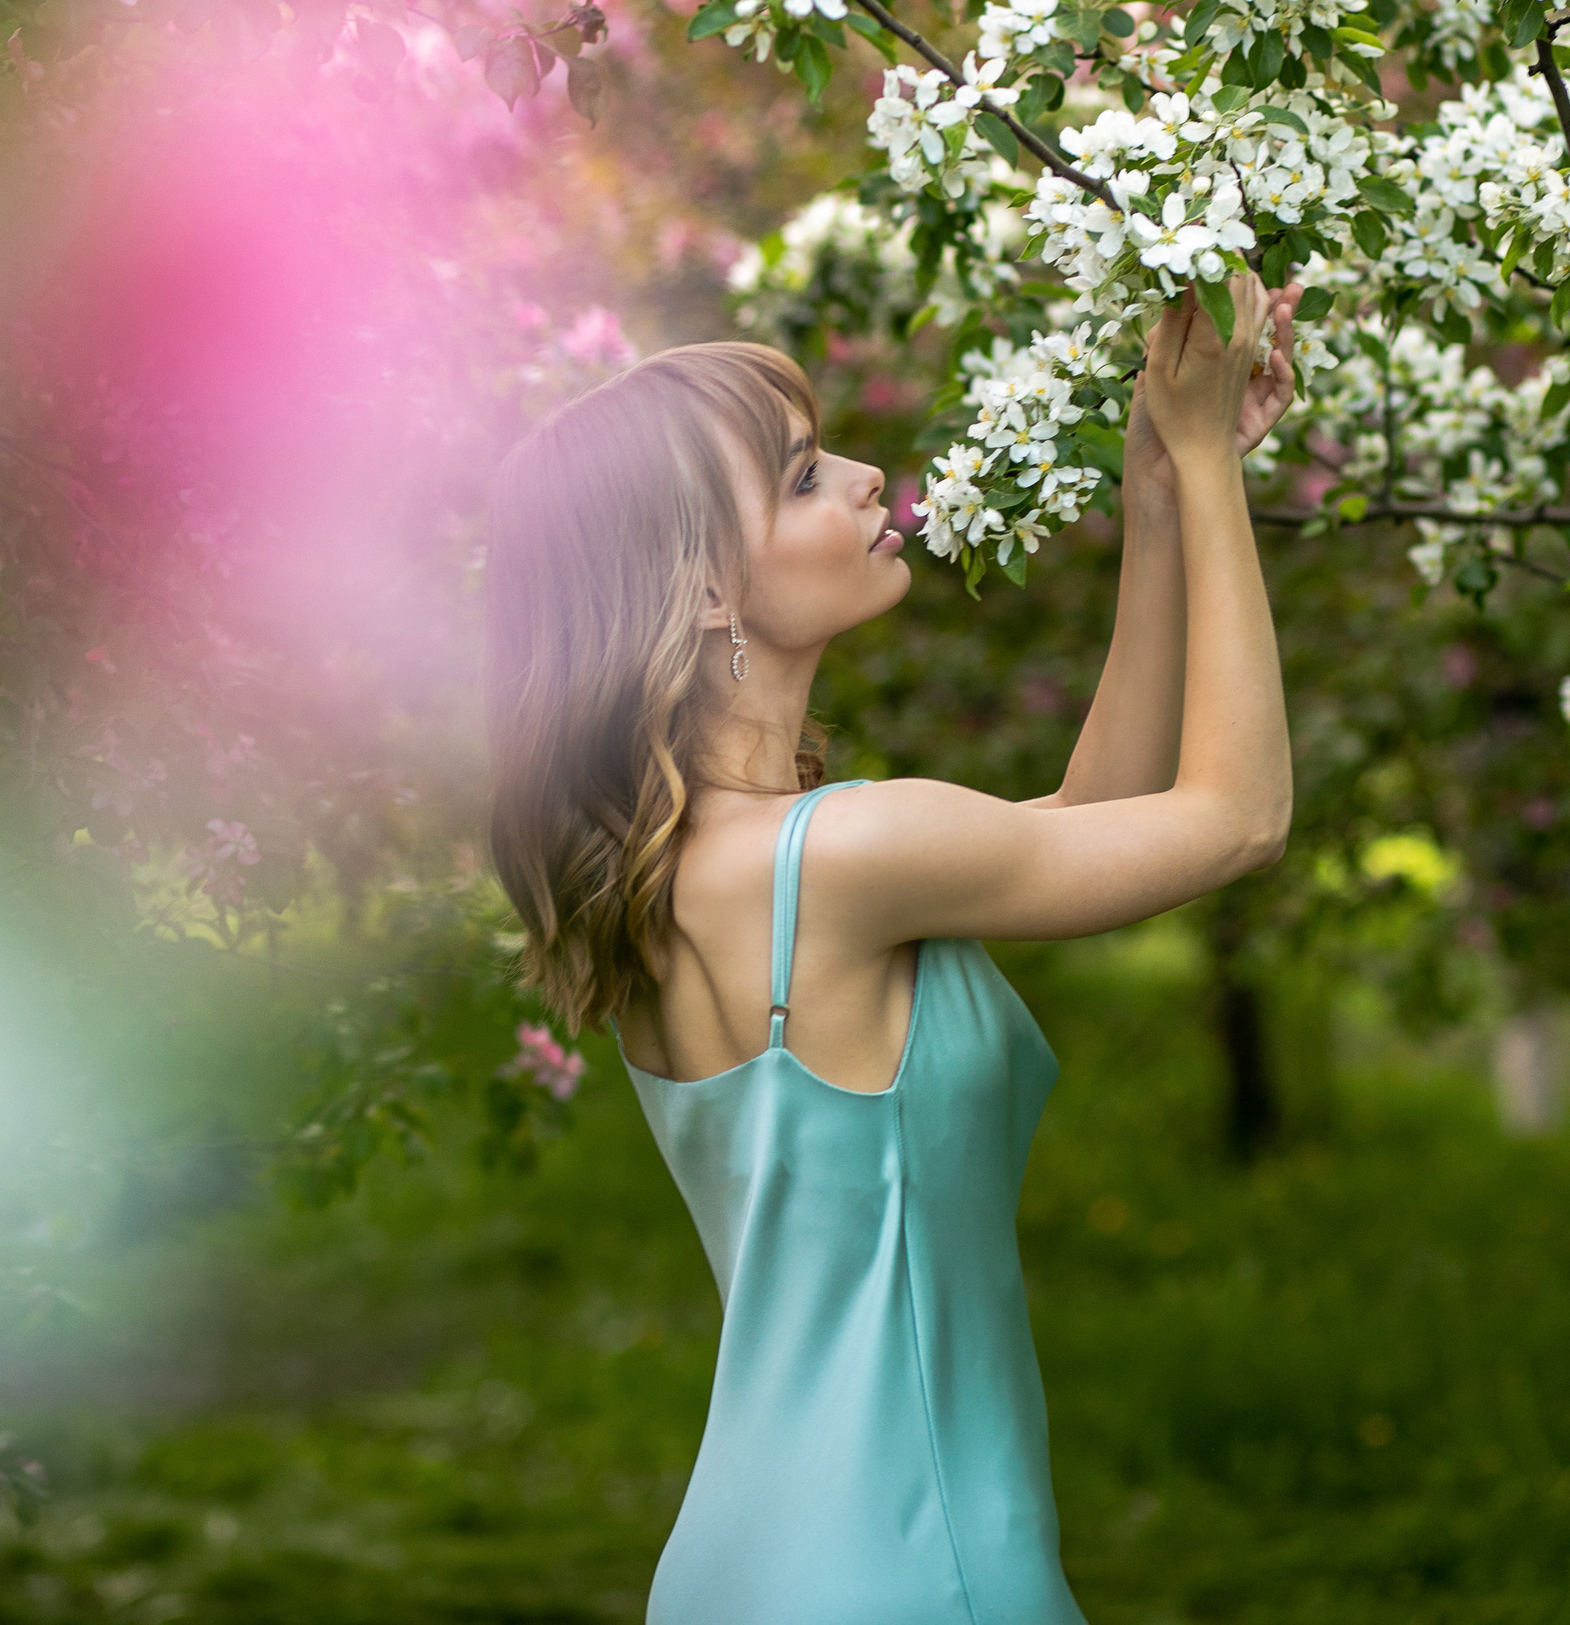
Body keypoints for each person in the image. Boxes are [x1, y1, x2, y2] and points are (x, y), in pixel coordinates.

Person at [483, 269, 1300, 1624]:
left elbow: (1086, 827)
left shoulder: (692, 872)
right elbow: (1239, 819)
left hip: (742, 1574)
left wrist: (1158, 488)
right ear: (705, 588)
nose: (867, 477)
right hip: (918, 1571)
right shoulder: (845, 853)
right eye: (804, 478)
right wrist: (1213, 464)